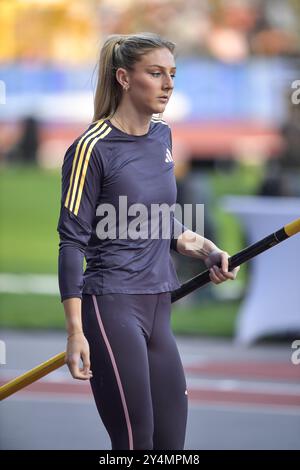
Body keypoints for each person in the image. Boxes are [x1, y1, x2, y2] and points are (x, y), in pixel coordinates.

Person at [57, 32, 240, 451]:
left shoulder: (162, 136)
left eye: (172, 74)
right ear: (124, 78)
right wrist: (75, 332)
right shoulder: (91, 148)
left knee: (171, 444)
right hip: (112, 304)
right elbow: (71, 243)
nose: (168, 84)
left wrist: (207, 249)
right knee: (135, 444)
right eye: (155, 73)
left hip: (159, 305)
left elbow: (161, 221)